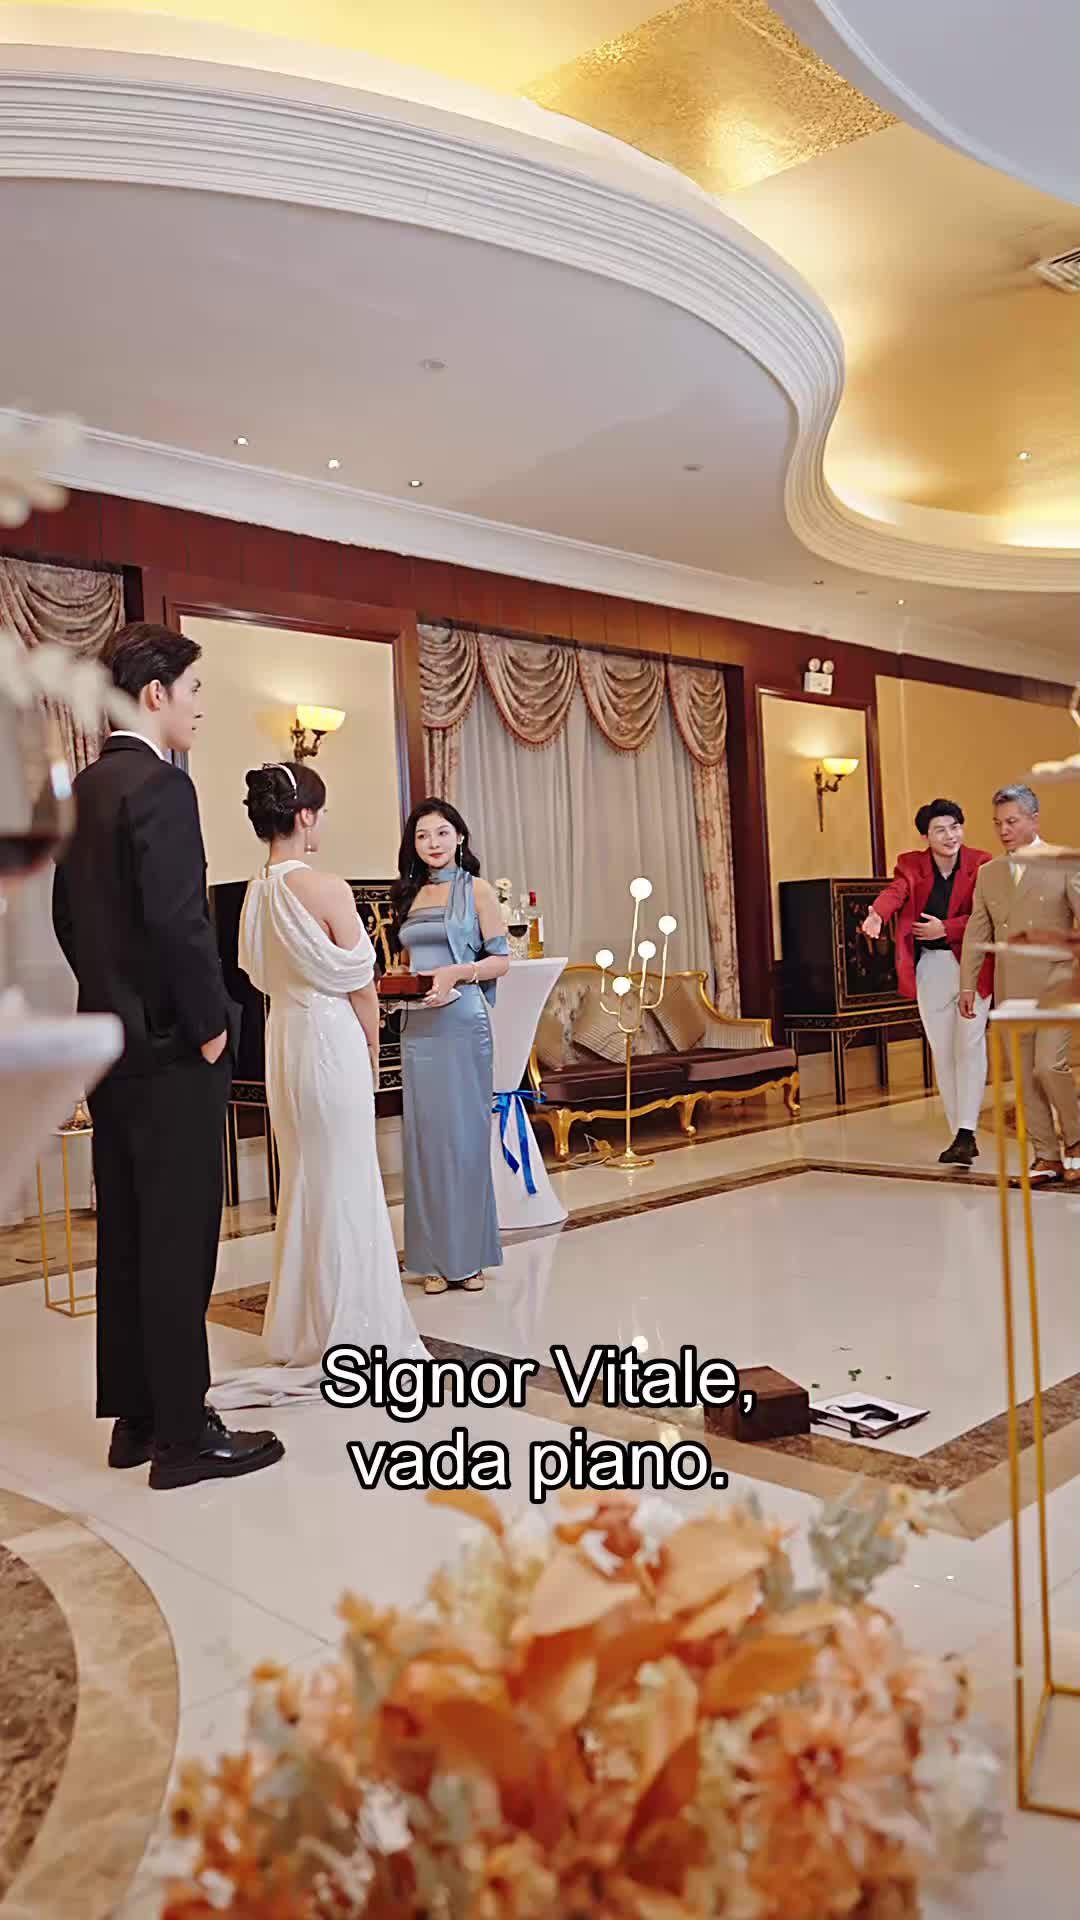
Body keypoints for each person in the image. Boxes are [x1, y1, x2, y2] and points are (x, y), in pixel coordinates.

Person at [51, 622, 283, 1489]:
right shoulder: (162, 784)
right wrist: (210, 1023)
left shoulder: (85, 788)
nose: (199, 708)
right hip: (173, 1048)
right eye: (194, 691)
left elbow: (69, 921)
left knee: (129, 1232)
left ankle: (138, 1418)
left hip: (109, 1046)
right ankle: (185, 1435)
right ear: (156, 694)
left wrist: (113, 999)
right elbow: (179, 921)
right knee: (180, 1238)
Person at [207, 763, 427, 1407]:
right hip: (329, 1038)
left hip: (285, 1040)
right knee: (347, 1177)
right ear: (304, 816)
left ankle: (303, 1324)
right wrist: (372, 1046)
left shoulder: (255, 893)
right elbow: (361, 982)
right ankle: (353, 1331)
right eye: (321, 812)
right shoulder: (325, 887)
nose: (323, 822)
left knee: (306, 1176)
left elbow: (253, 974)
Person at [392, 799, 509, 1295]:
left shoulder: (477, 889)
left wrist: (458, 971)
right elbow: (407, 961)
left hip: (462, 1022)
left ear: (459, 836)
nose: (433, 843)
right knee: (424, 1141)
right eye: (422, 836)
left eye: (442, 833)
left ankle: (468, 1257)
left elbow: (500, 961)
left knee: (463, 1139)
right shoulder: (408, 894)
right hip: (418, 1025)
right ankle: (431, 1259)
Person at [860, 800, 993, 1166]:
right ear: (926, 836)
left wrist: (945, 928)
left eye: (955, 827)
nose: (950, 836)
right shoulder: (911, 865)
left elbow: (987, 916)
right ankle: (960, 1134)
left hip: (972, 968)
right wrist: (877, 914)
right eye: (940, 830)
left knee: (970, 1046)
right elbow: (896, 891)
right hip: (931, 968)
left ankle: (966, 1131)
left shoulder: (982, 864)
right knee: (944, 1052)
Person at [960, 783, 1080, 1184]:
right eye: (998, 823)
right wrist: (967, 985)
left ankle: (1077, 1141)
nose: (1004, 830)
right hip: (1012, 989)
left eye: (1011, 821)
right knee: (1025, 1080)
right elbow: (977, 932)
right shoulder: (988, 874)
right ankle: (1047, 1157)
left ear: (1034, 819)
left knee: (1049, 1066)